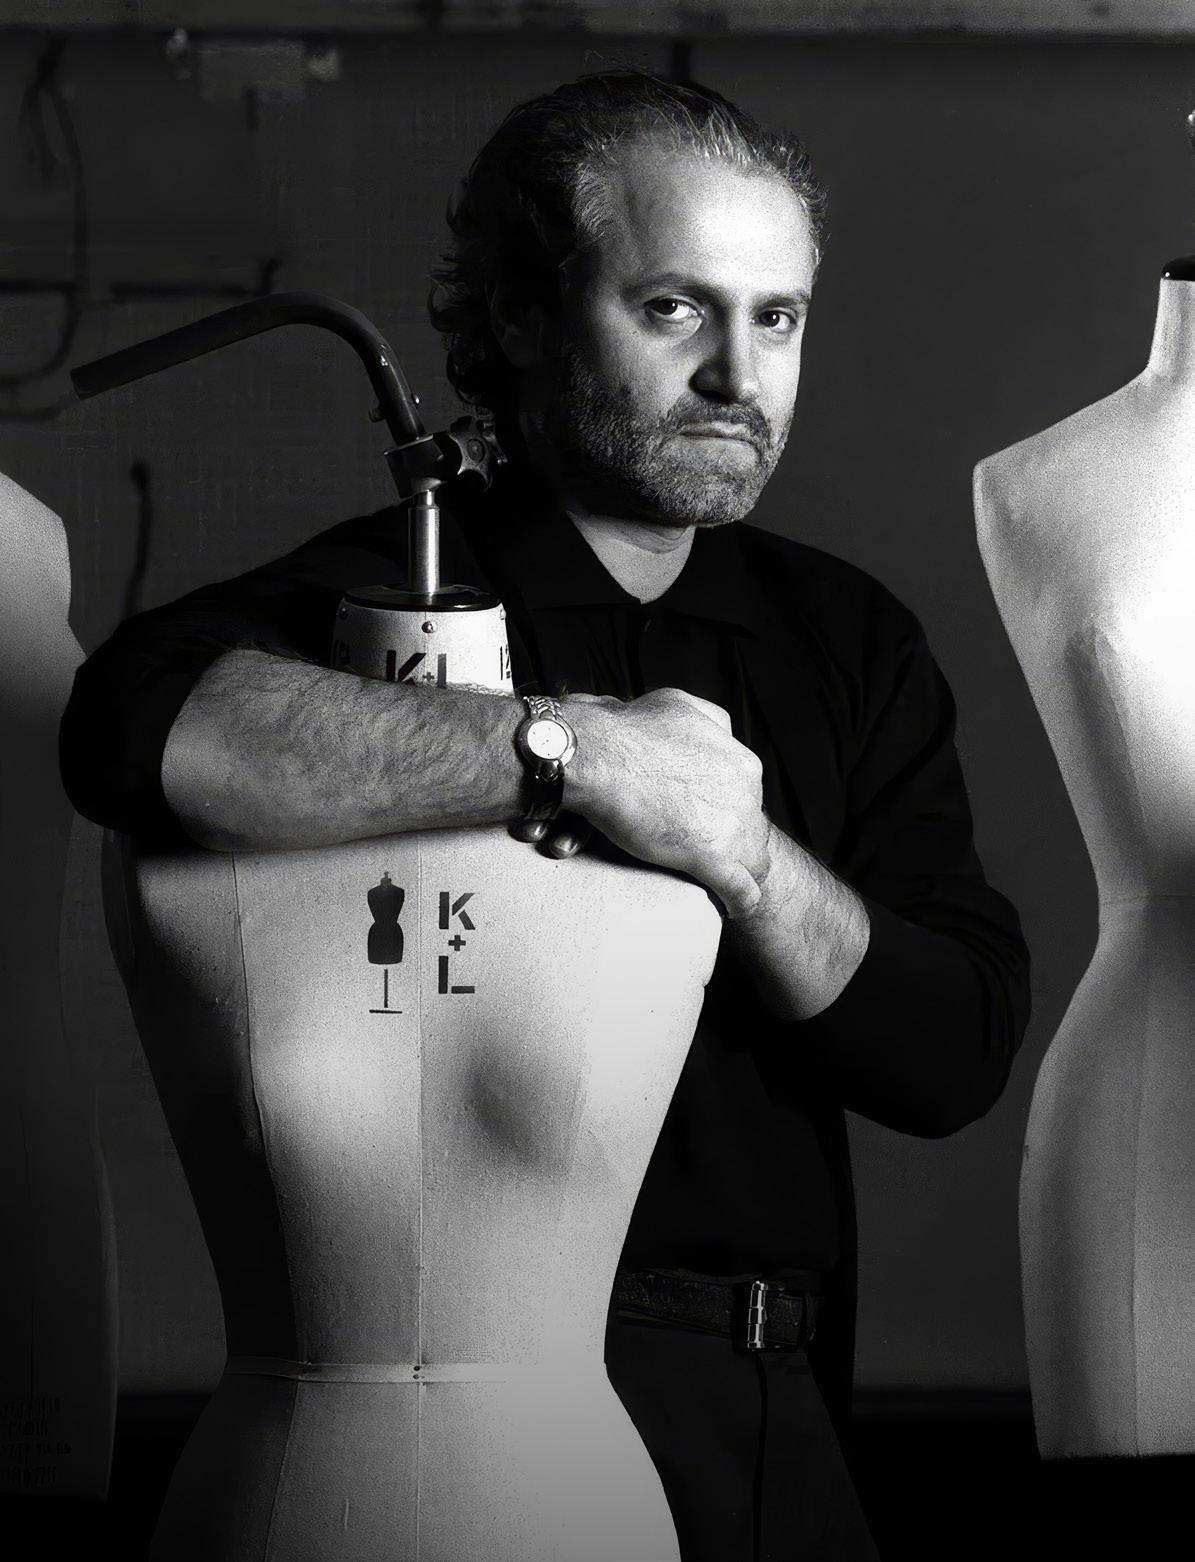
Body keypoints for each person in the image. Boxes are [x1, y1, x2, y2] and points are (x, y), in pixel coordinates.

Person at [61, 70, 1031, 1561]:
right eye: (673, 308)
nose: (738, 375)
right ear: (519, 315)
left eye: (777, 317)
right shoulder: (383, 601)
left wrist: (741, 854)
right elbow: (136, 726)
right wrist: (575, 754)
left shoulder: (850, 643)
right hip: (457, 1415)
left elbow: (951, 1049)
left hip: (775, 1417)